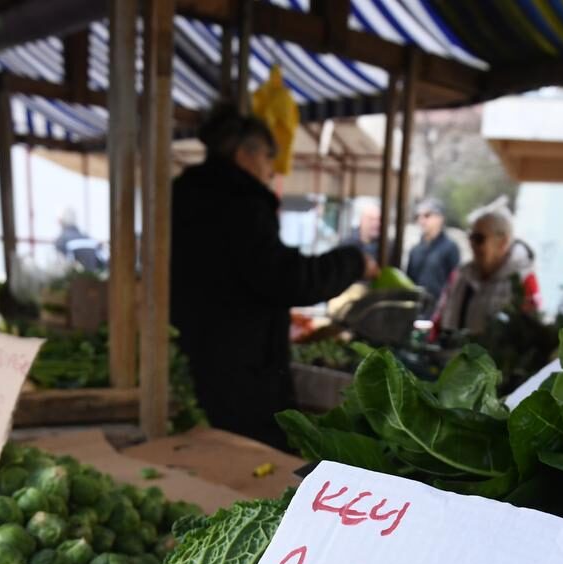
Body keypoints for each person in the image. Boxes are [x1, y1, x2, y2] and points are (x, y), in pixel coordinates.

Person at [171, 105, 373, 447]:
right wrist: (354, 262)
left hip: (191, 356)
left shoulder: (184, 195)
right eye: (269, 156)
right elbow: (287, 279)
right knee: (245, 461)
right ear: (243, 154)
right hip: (239, 370)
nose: (272, 168)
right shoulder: (240, 203)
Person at [433, 200, 538, 336]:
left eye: (479, 238)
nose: (472, 244)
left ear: (502, 242)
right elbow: (439, 318)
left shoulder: (523, 280)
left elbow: (531, 334)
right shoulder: (460, 275)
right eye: (470, 237)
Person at [405, 197, 460, 302]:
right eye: (418, 216)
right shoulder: (415, 250)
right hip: (417, 309)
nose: (421, 220)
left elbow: (455, 285)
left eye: (427, 215)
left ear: (440, 218)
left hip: (438, 310)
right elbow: (409, 282)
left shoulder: (450, 248)